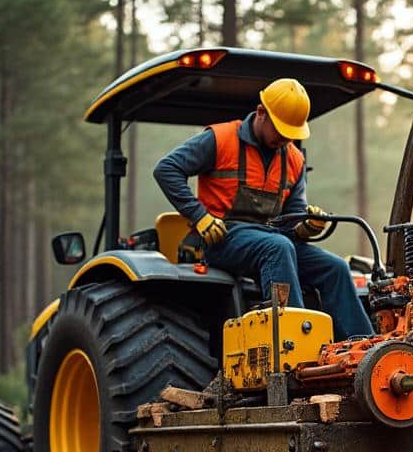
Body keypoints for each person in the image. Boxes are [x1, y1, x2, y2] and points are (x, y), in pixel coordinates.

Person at [153, 77, 374, 340]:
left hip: (273, 238)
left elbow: (290, 220)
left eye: (291, 133)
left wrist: (304, 228)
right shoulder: (220, 139)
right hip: (222, 239)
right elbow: (166, 169)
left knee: (335, 267)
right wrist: (199, 216)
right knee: (278, 247)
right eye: (280, 130)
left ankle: (364, 347)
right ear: (261, 112)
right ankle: (294, 343)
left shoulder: (294, 159)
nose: (285, 138)